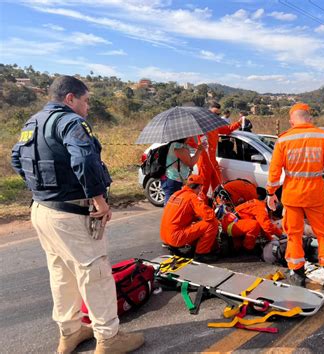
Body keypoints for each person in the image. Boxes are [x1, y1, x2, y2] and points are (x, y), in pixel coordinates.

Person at [10, 76, 144, 353]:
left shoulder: (32, 122)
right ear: (70, 98)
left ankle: (69, 332)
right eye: (85, 101)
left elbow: (16, 158)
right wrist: (99, 201)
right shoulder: (70, 122)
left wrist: (42, 189)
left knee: (61, 272)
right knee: (95, 273)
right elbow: (84, 158)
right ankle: (109, 338)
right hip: (71, 212)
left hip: (42, 210)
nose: (88, 107)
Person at [266, 102, 324, 290]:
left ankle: (297, 275)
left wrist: (270, 193)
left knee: (293, 235)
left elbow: (275, 171)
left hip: (292, 197)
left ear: (291, 121)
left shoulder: (284, 139)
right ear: (309, 118)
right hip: (316, 196)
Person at [160, 174, 219, 262]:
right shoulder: (192, 197)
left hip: (165, 236)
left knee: (196, 223)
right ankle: (201, 254)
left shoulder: (176, 194)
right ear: (199, 187)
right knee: (212, 223)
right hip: (175, 237)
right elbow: (209, 216)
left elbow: (183, 214)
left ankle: (178, 246)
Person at [194, 102, 242, 197]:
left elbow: (227, 129)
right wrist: (198, 147)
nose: (216, 116)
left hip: (212, 160)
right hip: (203, 161)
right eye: (214, 113)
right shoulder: (200, 125)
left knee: (218, 186)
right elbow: (190, 140)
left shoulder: (215, 125)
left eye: (218, 114)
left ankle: (217, 205)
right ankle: (202, 208)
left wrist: (239, 123)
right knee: (203, 188)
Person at [162, 137, 206, 204]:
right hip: (173, 179)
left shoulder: (179, 145)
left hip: (173, 178)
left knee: (174, 203)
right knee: (171, 204)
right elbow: (190, 163)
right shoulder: (178, 147)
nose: (190, 136)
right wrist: (199, 150)